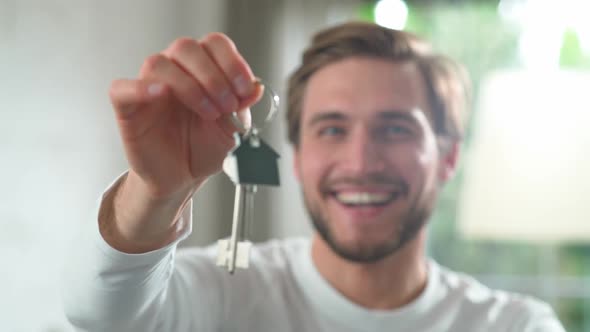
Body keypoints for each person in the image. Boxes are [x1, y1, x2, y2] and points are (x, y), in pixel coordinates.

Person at [61, 22, 565, 331]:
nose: (362, 161)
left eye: (394, 129)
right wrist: (157, 192)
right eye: (332, 129)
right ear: (297, 158)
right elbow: (101, 314)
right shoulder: (221, 289)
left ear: (448, 158)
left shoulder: (515, 325)